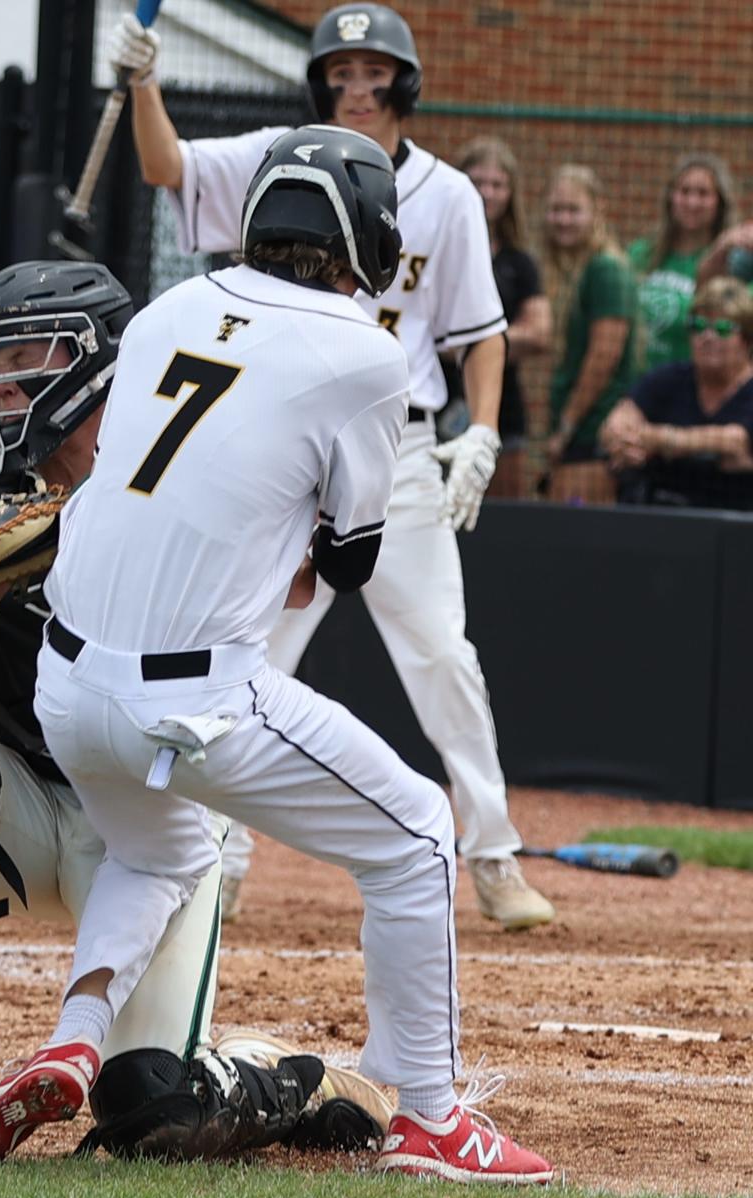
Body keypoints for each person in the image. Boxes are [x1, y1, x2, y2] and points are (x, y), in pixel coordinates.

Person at [0, 125, 556, 1183]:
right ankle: (434, 1116)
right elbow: (353, 561)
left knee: (162, 854)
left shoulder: (175, 306)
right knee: (416, 834)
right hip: (193, 696)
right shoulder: (366, 353)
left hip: (67, 680)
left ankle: (75, 1039)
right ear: (364, 231)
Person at [0, 259, 382, 1164]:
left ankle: (284, 1076)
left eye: (21, 357)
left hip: (152, 829)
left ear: (96, 364)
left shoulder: (180, 488)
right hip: (29, 806)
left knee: (153, 1115)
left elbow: (296, 587)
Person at [115, 0, 554, 932]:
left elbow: (482, 334)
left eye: (375, 71)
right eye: (341, 73)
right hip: (285, 441)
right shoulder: (287, 154)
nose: (358, 86)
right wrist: (144, 79)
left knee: (441, 652)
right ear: (319, 84)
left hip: (398, 446)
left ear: (405, 82)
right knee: (249, 651)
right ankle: (218, 864)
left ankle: (496, 852)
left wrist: (478, 433)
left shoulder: (449, 193)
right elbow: (168, 168)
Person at [600, 276, 753, 510]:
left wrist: (659, 439)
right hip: (664, 513)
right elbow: (616, 423)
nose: (708, 337)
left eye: (723, 329)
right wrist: (626, 444)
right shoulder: (670, 377)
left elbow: (733, 440)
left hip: (737, 520)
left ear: (747, 341)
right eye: (698, 326)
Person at [453, 136, 551, 498]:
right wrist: (505, 340)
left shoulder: (518, 262)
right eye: (478, 182)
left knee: (500, 508)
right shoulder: (440, 248)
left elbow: (540, 333)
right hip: (438, 401)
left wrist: (474, 342)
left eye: (497, 184)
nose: (487, 193)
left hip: (502, 404)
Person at [541, 163, 638, 505]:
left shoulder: (607, 269)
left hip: (592, 435)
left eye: (573, 210)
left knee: (571, 546)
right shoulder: (582, 268)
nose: (562, 219)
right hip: (579, 434)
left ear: (598, 210)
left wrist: (566, 427)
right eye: (556, 210)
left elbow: (604, 356)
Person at [627, 153, 736, 374]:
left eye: (703, 194)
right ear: (671, 197)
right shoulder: (641, 254)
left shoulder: (730, 263)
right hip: (635, 387)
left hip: (689, 388)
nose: (692, 202)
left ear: (719, 202)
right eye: (684, 192)